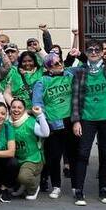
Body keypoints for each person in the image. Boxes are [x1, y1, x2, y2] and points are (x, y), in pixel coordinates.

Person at [70, 39, 106, 206]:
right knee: (83, 154)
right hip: (87, 118)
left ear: (102, 53)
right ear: (86, 53)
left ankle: (103, 189)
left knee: (105, 155)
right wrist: (76, 121)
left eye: (96, 50)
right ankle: (79, 190)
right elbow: (76, 98)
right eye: (90, 50)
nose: (93, 52)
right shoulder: (80, 72)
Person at [33, 53, 75, 199]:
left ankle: (76, 186)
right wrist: (44, 120)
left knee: (73, 155)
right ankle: (56, 186)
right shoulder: (42, 81)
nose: (59, 65)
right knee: (54, 157)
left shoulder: (70, 76)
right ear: (48, 68)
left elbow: (88, 69)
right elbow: (38, 104)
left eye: (60, 62)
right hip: (53, 123)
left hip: (71, 121)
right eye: (55, 64)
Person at [9, 98, 50, 199]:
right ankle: (22, 185)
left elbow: (46, 133)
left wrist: (40, 115)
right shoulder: (7, 123)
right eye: (13, 107)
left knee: (24, 177)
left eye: (19, 107)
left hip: (33, 159)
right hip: (17, 159)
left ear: (24, 110)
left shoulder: (30, 122)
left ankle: (33, 188)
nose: (16, 109)